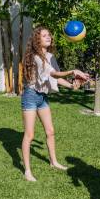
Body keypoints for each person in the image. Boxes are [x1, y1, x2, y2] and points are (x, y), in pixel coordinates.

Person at [21, 26, 89, 182]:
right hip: (30, 96)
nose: (48, 37)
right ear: (37, 39)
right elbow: (52, 73)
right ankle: (27, 171)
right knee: (29, 135)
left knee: (50, 131)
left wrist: (72, 86)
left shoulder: (50, 56)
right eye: (44, 35)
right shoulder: (35, 57)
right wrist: (73, 71)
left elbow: (57, 78)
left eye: (49, 35)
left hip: (42, 97)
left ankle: (54, 161)